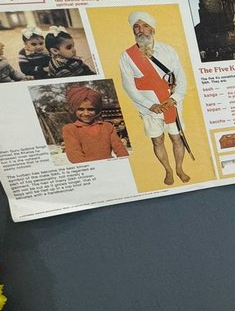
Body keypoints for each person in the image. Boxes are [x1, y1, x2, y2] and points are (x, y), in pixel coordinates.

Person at [118, 10, 191, 185]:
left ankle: (179, 168)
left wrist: (175, 98)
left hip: (171, 104)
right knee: (158, 140)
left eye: (145, 25)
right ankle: (168, 170)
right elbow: (128, 85)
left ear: (153, 29)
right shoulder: (127, 56)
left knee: (176, 138)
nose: (141, 30)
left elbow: (181, 76)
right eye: (136, 26)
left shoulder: (168, 50)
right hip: (149, 109)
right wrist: (149, 105)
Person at [61, 85, 128, 164]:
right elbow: (75, 157)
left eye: (90, 109)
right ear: (74, 109)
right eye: (80, 109)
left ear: (96, 109)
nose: (86, 113)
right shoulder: (70, 129)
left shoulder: (107, 126)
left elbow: (120, 149)